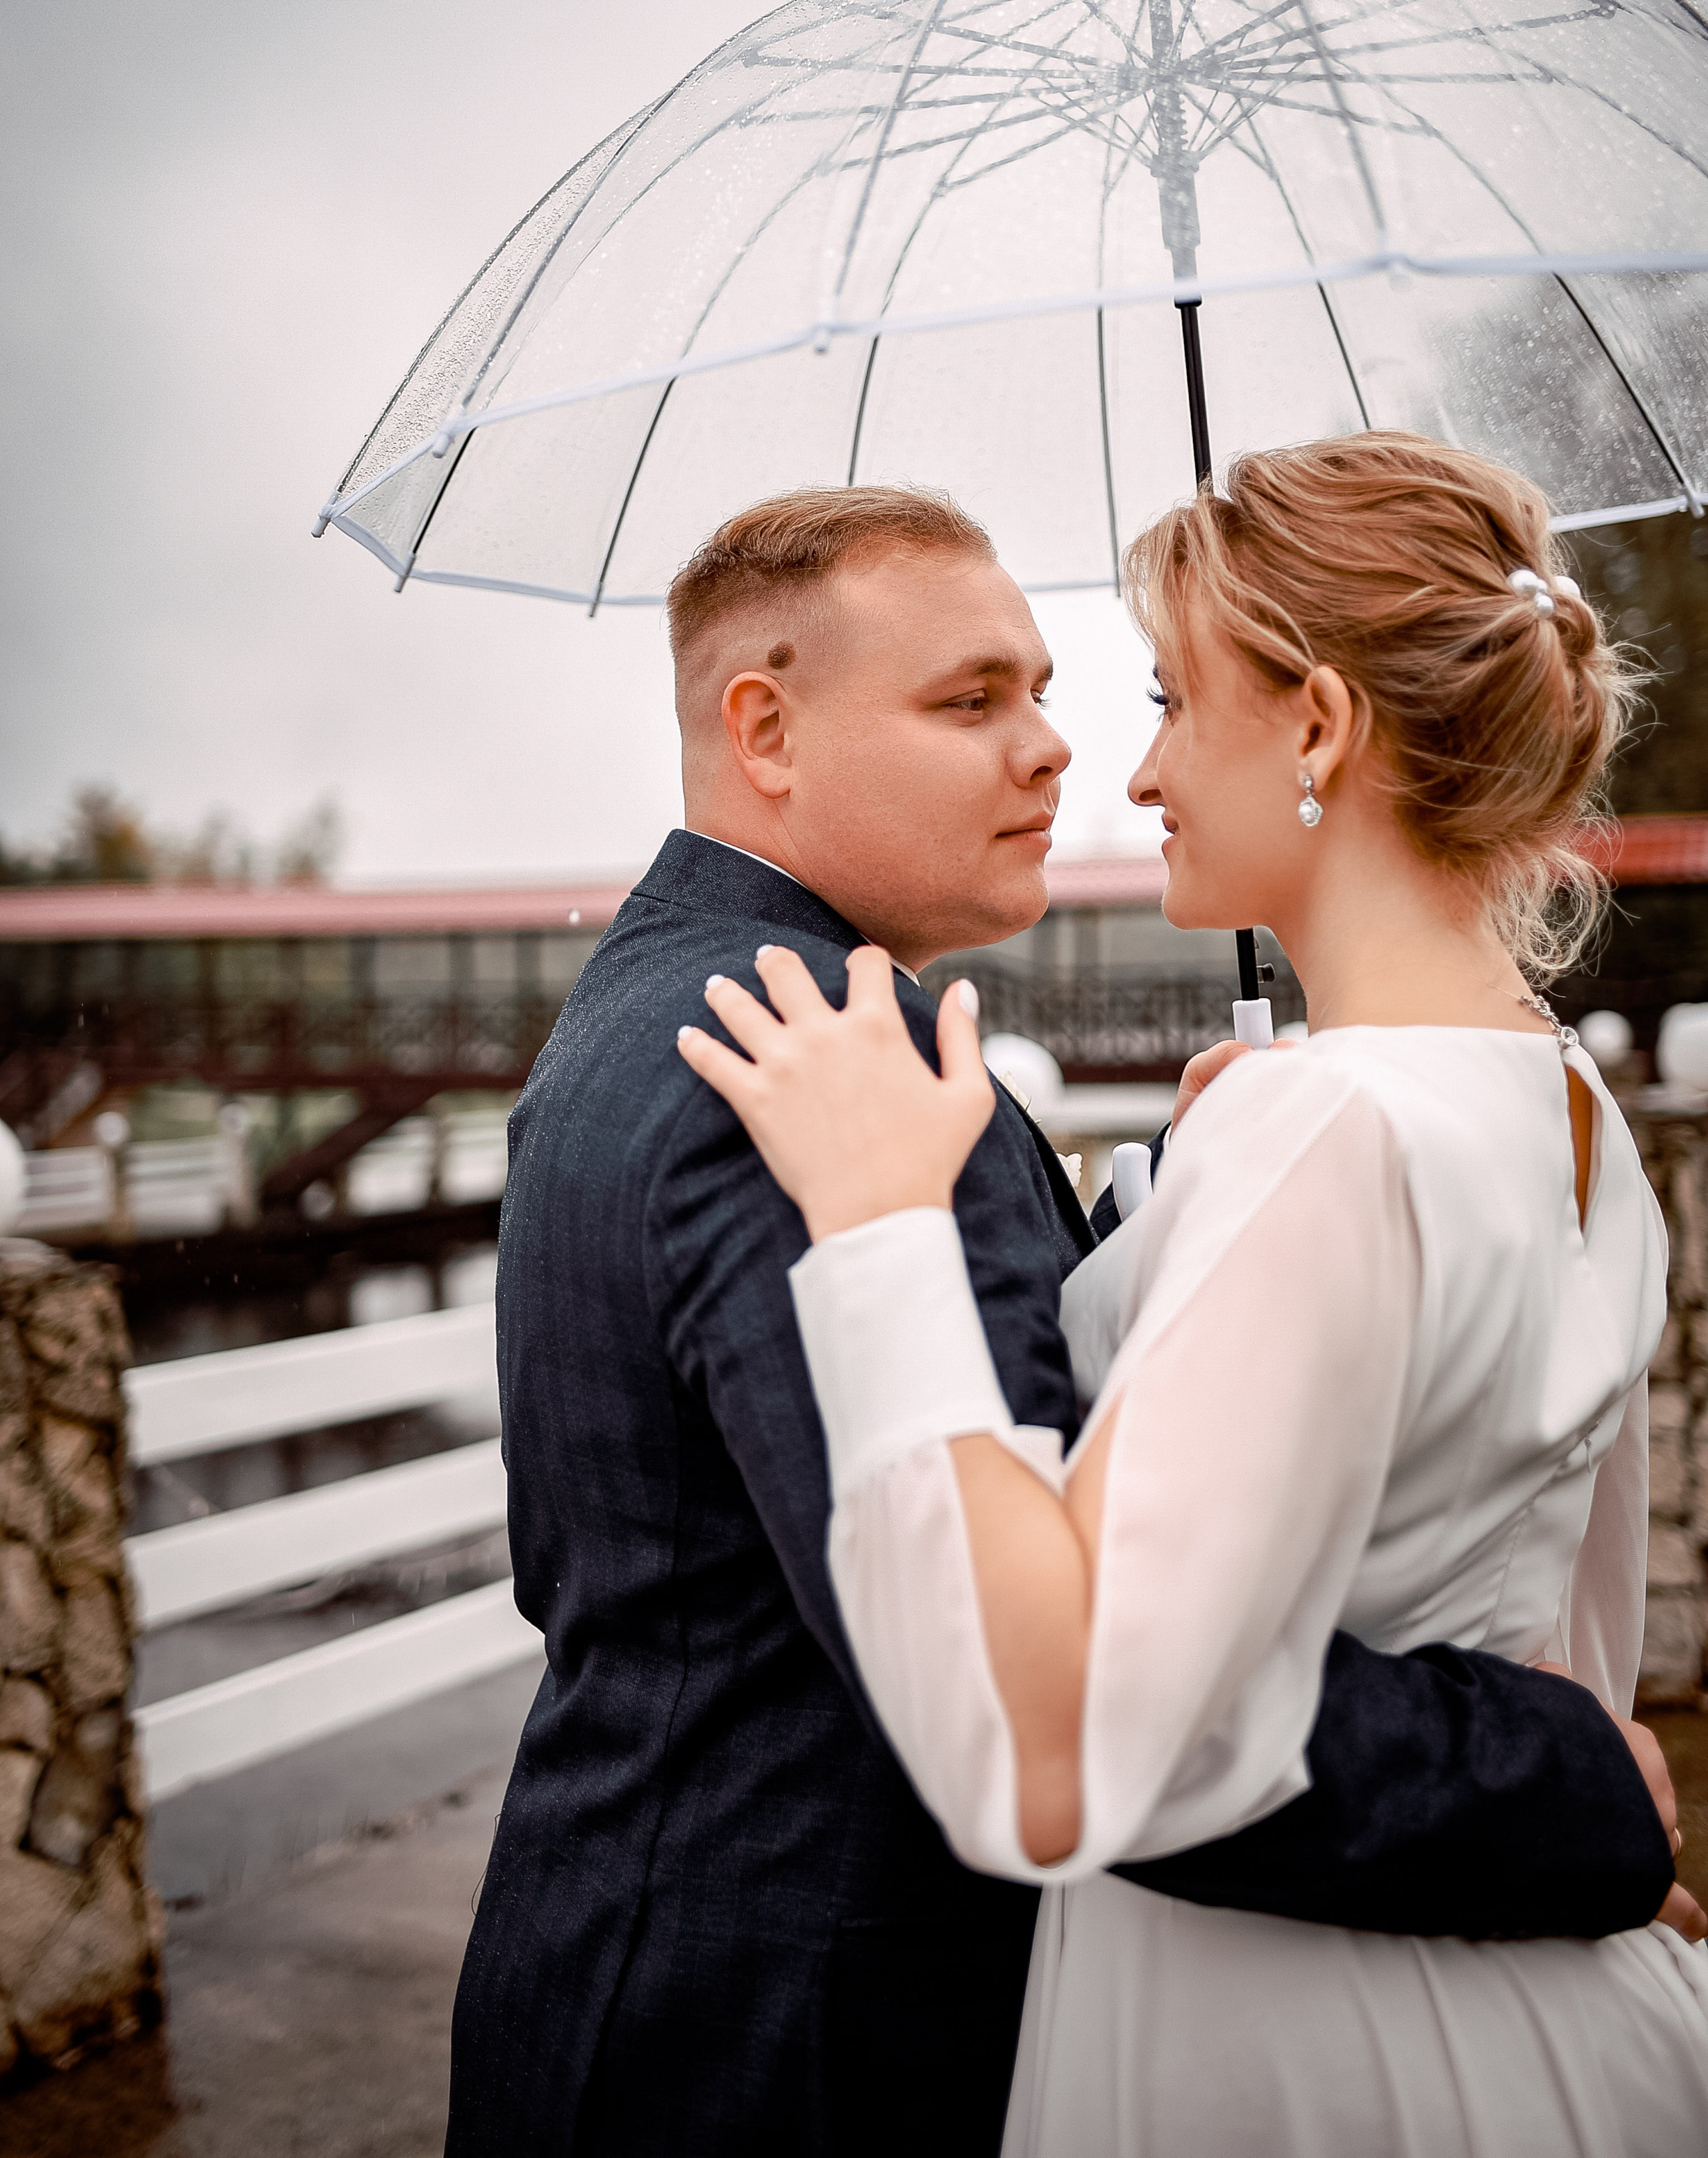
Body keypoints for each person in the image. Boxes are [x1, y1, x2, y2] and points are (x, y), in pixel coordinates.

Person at [448, 480, 1681, 2158]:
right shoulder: (807, 1056)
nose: (1066, 750)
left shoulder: (652, 1008)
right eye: (973, 700)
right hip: (793, 2050)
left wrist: (1184, 1199)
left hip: (673, 1972)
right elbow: (1027, 1687)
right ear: (767, 730)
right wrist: (1559, 1790)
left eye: (1066, 689)